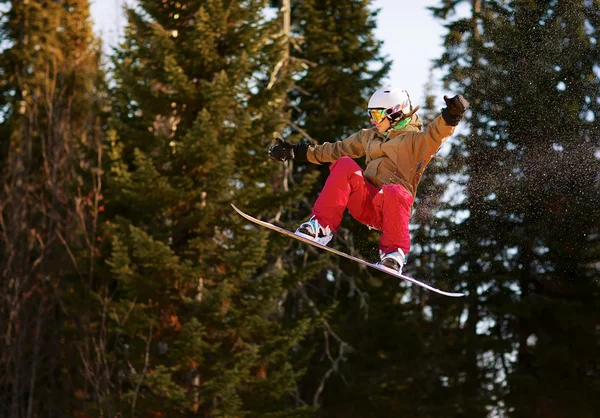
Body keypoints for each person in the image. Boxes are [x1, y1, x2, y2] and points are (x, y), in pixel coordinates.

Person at [268, 87, 469, 273]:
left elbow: (435, 135)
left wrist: (451, 116)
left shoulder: (415, 141)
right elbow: (336, 149)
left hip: (393, 209)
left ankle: (394, 253)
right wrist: (297, 152)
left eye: (377, 115)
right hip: (365, 202)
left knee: (394, 190)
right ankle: (322, 227)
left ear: (395, 113)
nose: (373, 121)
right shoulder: (369, 136)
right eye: (371, 115)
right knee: (345, 164)